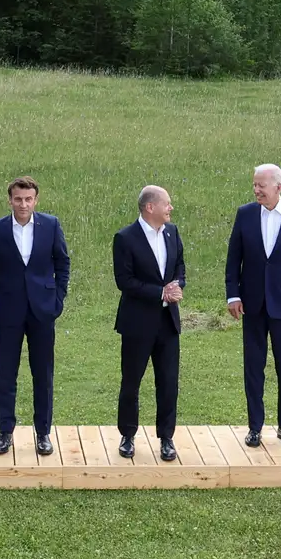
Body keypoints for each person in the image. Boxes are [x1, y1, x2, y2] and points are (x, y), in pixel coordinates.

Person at [225, 164, 281, 448]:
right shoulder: (245, 214)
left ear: (278, 186)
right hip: (252, 305)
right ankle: (255, 427)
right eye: (254, 185)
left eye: (261, 185)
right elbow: (233, 259)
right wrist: (233, 295)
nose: (256, 190)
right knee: (253, 367)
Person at [0, 176, 70, 456]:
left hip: (43, 310)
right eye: (18, 199)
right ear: (10, 200)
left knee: (43, 374)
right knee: (6, 374)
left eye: (28, 199)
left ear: (36, 200)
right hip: (7, 310)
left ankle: (43, 433)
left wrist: (57, 299)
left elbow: (63, 263)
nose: (23, 204)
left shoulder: (50, 225)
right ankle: (5, 432)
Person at [113, 186, 185, 461]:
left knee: (168, 382)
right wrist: (160, 293)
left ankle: (166, 438)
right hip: (137, 324)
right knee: (131, 382)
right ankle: (127, 435)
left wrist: (177, 285)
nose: (171, 208)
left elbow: (180, 267)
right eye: (167, 204)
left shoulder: (172, 232)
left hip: (168, 323)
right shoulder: (125, 238)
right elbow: (124, 281)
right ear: (150, 207)